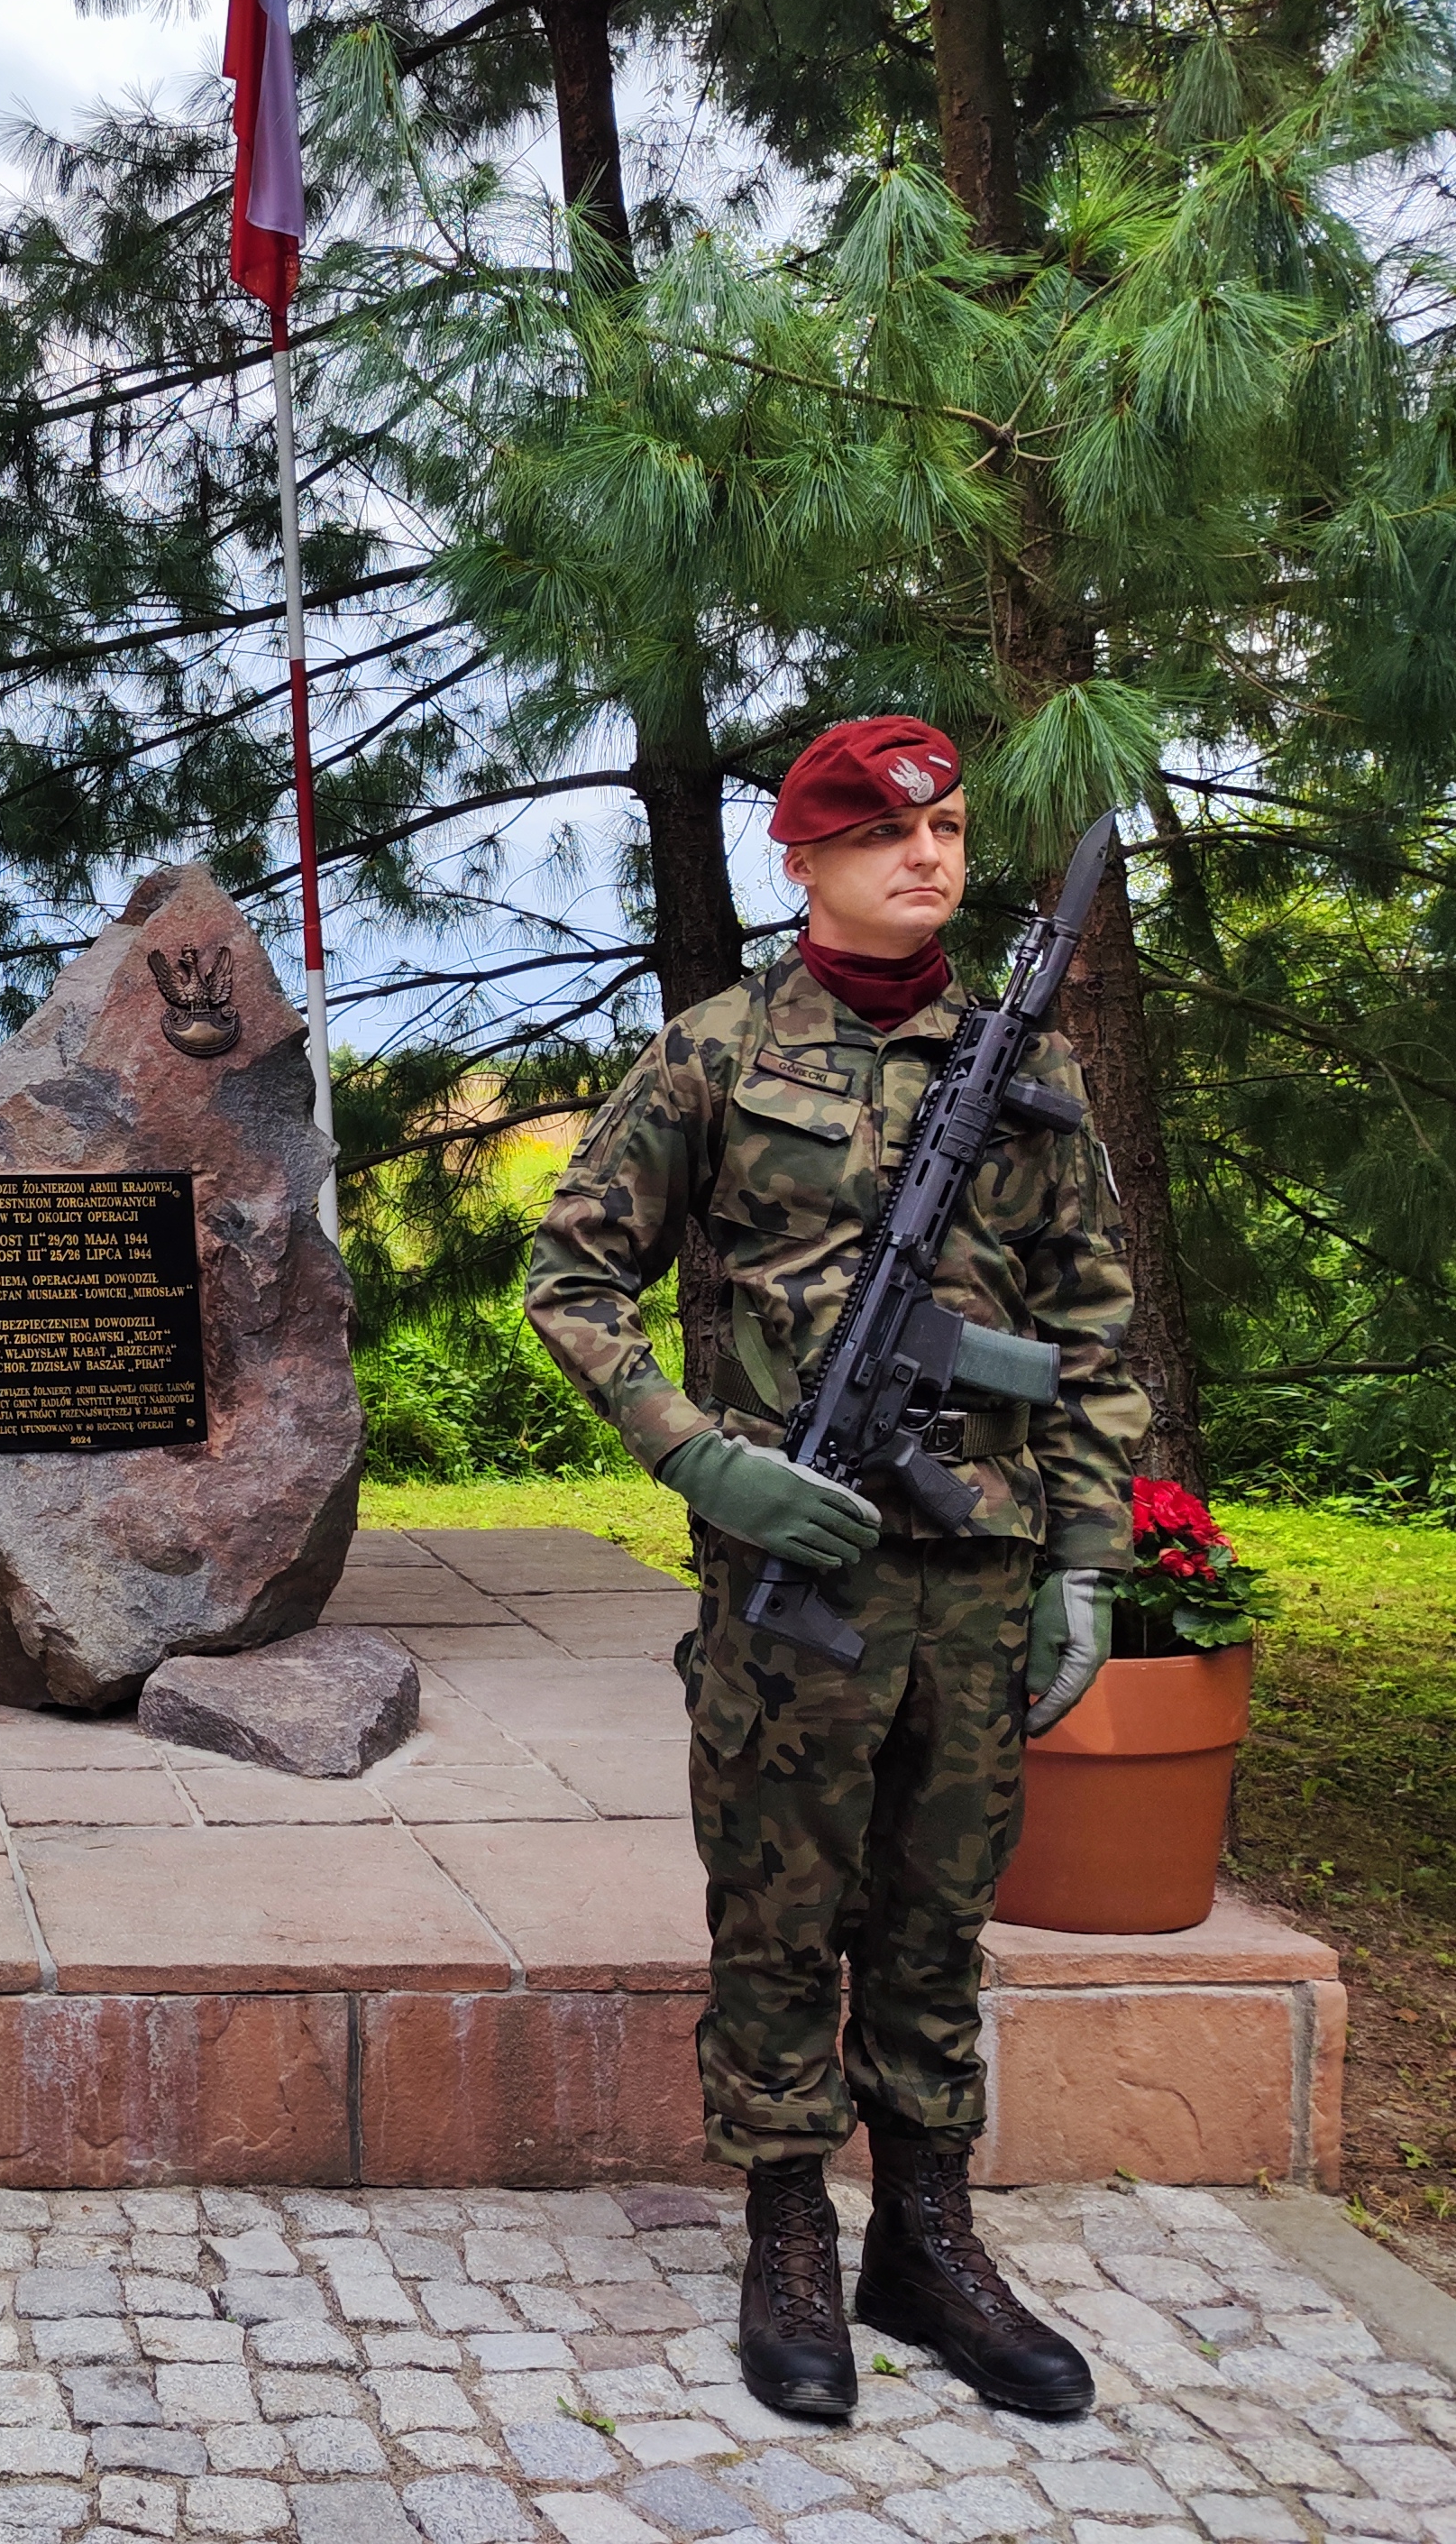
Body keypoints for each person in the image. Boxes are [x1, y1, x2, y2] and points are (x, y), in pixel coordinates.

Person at [527, 717, 1146, 2426]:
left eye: (943, 831)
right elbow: (571, 1285)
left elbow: (1089, 1329)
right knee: (784, 1911)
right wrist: (695, 1453)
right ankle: (790, 2229)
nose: (926, 857)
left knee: (939, 1917)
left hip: (980, 1572)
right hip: (794, 1579)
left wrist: (1084, 1559)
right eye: (881, 834)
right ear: (803, 861)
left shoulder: (1026, 1065)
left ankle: (926, 2237)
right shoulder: (713, 1056)